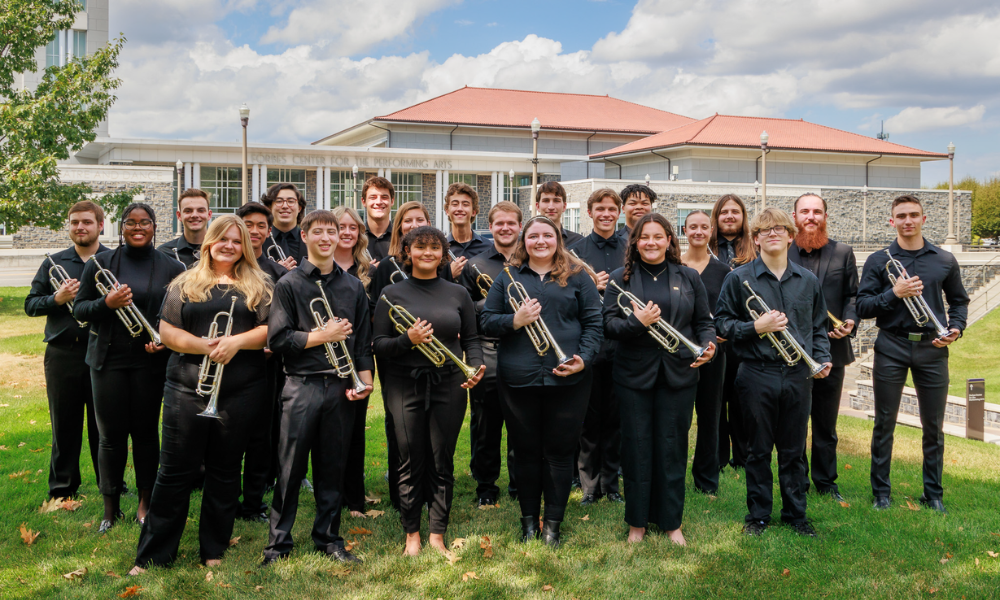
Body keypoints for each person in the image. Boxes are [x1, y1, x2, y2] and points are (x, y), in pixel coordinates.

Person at [129, 216, 271, 574]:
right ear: (209, 242)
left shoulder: (261, 284)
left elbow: (271, 329)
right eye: (222, 239)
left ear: (245, 247)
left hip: (242, 388)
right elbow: (166, 331)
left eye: (237, 242)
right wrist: (205, 346)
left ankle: (213, 548)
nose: (229, 246)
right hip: (187, 385)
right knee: (174, 472)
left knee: (225, 471)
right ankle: (154, 554)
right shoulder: (186, 281)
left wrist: (236, 341)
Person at [481, 216, 603, 547]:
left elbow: (594, 323)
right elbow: (486, 321)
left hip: (569, 379)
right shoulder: (507, 277)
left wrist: (583, 359)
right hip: (519, 378)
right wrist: (514, 320)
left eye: (547, 235)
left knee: (560, 453)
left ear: (557, 240)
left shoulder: (578, 277)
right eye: (533, 236)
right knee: (526, 452)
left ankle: (552, 525)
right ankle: (527, 524)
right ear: (524, 241)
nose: (540, 241)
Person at [262, 210, 374, 566]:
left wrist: (366, 378)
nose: (327, 238)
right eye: (319, 232)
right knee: (290, 469)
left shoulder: (353, 285)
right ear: (306, 236)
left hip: (341, 387)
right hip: (302, 387)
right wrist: (321, 336)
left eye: (333, 231)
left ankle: (329, 538)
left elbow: (362, 341)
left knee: (332, 468)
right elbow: (278, 339)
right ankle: (278, 546)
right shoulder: (289, 284)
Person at [714, 207, 832, 537]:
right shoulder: (738, 278)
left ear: (791, 236)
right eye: (765, 230)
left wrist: (822, 358)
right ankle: (758, 516)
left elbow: (819, 327)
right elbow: (721, 323)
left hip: (798, 374)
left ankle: (796, 514)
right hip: (756, 373)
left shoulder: (808, 281)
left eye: (780, 229)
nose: (773, 234)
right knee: (757, 450)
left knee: (794, 451)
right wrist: (756, 326)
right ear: (756, 239)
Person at [604, 213, 716, 544]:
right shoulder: (618, 279)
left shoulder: (689, 276)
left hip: (679, 374)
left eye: (658, 236)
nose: (651, 242)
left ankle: (672, 523)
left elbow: (704, 322)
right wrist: (636, 323)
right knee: (636, 448)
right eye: (644, 237)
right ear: (635, 243)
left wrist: (708, 345)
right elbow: (608, 327)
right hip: (632, 375)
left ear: (669, 240)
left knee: (672, 448)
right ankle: (636, 524)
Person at [373, 226, 485, 556]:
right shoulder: (392, 294)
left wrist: (475, 365)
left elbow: (472, 339)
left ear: (443, 254)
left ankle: (437, 533)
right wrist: (408, 340)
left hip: (448, 382)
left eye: (434, 248)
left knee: (441, 460)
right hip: (404, 385)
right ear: (407, 252)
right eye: (420, 247)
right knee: (409, 460)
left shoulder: (457, 293)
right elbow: (379, 344)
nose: (427, 253)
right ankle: (412, 536)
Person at [74, 203, 185, 532]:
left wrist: (164, 340)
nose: (138, 228)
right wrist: (106, 303)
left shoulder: (171, 266)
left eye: (145, 223)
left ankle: (144, 503)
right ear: (121, 227)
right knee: (110, 437)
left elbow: (178, 315)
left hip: (150, 360)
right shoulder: (100, 263)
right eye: (131, 223)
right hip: (107, 361)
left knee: (147, 434)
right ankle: (110, 508)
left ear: (154, 227)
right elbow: (80, 309)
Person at [856, 195, 968, 513]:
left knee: (933, 424)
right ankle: (881, 493)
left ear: (923, 218)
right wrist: (894, 293)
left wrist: (957, 328)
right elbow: (863, 306)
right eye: (901, 216)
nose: (908, 221)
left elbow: (959, 302)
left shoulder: (944, 260)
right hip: (891, 344)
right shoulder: (879, 261)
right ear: (892, 221)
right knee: (885, 422)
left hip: (932, 347)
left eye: (913, 215)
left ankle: (933, 494)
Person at [25, 200, 109, 500]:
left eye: (86, 222)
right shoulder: (54, 263)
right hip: (63, 354)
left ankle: (109, 485)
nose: (80, 227)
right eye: (74, 222)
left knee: (105, 427)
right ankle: (62, 488)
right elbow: (30, 304)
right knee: (64, 425)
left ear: (100, 225)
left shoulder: (114, 260)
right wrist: (56, 299)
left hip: (104, 353)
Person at [788, 194, 858, 502]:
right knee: (794, 422)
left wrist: (851, 320)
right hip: (792, 350)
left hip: (833, 348)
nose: (811, 216)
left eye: (817, 211)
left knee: (826, 424)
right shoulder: (781, 252)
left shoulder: (843, 252)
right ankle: (796, 480)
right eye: (805, 211)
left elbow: (854, 294)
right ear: (795, 216)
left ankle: (826, 483)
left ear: (825, 216)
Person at [458, 201, 522, 506]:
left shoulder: (531, 262)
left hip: (524, 351)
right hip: (486, 349)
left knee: (521, 421)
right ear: (491, 226)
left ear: (520, 226)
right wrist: (501, 307)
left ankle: (519, 483)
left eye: (511, 223)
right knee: (485, 424)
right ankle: (486, 487)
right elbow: (465, 311)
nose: (506, 228)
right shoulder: (475, 265)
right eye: (500, 223)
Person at [569, 189, 627, 506]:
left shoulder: (631, 249)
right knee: (589, 420)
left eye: (611, 209)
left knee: (616, 419)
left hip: (621, 343)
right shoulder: (575, 251)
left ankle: (613, 484)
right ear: (589, 212)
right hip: (589, 345)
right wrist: (592, 287)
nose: (606, 214)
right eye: (599, 209)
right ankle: (589, 487)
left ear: (618, 212)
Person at [235, 202, 289, 521]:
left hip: (267, 366)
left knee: (261, 434)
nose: (254, 231)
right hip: (229, 363)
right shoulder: (224, 266)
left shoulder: (280, 273)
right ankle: (226, 497)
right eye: (247, 224)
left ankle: (253, 502)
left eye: (260, 226)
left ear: (269, 232)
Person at [680, 209, 732, 495]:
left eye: (704, 227)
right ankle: (674, 473)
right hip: (679, 354)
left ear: (711, 231)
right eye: (692, 227)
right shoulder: (674, 266)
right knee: (679, 417)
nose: (698, 232)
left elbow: (728, 313)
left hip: (713, 353)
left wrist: (721, 332)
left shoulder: (724, 271)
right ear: (684, 231)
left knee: (711, 416)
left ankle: (707, 479)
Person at [708, 194, 757, 473]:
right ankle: (717, 457)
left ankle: (743, 456)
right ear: (716, 217)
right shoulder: (708, 249)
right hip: (714, 336)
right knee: (716, 400)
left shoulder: (755, 249)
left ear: (743, 216)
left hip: (744, 335)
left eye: (735, 212)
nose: (729, 216)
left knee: (741, 400)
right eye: (723, 212)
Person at [332, 205, 374, 518]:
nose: (347, 233)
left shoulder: (370, 269)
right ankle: (331, 495)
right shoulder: (320, 267)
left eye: (353, 228)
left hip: (360, 354)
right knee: (330, 432)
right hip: (325, 361)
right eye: (340, 227)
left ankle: (354, 498)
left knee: (355, 429)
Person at [444, 182, 491, 278]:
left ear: (473, 211)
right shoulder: (439, 249)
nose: (460, 208)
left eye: (465, 204)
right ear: (447, 211)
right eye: (455, 204)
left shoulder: (489, 247)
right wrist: (449, 274)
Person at [158, 189, 212, 269]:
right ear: (179, 216)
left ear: (209, 215)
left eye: (201, 210)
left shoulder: (221, 250)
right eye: (188, 211)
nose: (194, 215)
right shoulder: (164, 253)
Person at [261, 182, 306, 269]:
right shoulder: (260, 240)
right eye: (279, 201)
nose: (285, 206)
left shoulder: (310, 239)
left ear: (299, 208)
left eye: (291, 201)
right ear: (270, 207)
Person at [535, 181, 584, 246]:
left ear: (564, 206)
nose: (551, 207)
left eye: (556, 201)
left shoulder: (579, 242)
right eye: (546, 201)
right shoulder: (526, 241)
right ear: (537, 206)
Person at [362, 176, 394, 262]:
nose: (379, 202)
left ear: (392, 201)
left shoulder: (401, 237)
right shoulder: (356, 238)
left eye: (384, 197)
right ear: (363, 202)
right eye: (373, 197)